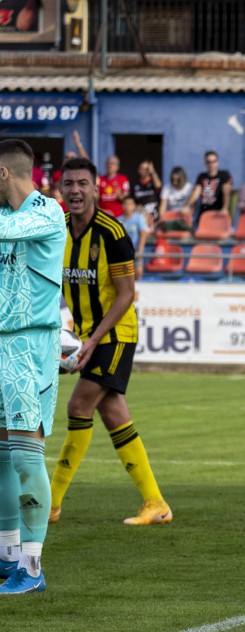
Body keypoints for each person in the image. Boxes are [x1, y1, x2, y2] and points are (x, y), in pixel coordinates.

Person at [49, 157, 172, 527]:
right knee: (113, 411)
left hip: (116, 333)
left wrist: (91, 342)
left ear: (96, 187)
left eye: (82, 183)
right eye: (68, 183)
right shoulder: (58, 230)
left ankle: (50, 503)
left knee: (78, 405)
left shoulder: (113, 233)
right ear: (60, 189)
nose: (74, 190)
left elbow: (126, 295)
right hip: (88, 335)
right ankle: (156, 503)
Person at [0, 139, 67, 594]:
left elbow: (14, 229)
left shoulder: (48, 212)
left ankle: (33, 566)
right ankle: (8, 556)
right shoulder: (6, 218)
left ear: (4, 173)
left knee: (26, 453)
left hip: (29, 345)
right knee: (3, 454)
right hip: (3, 345)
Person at [184, 150, 233, 220]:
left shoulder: (224, 175)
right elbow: (196, 192)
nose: (211, 164)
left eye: (214, 161)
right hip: (204, 214)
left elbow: (227, 192)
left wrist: (225, 208)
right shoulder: (201, 176)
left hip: (220, 213)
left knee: (226, 188)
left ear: (217, 163)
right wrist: (186, 206)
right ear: (205, 164)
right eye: (209, 162)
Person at [118, 195, 150, 271]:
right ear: (122, 206)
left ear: (134, 206)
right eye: (126, 204)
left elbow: (143, 233)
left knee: (138, 272)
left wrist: (140, 251)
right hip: (123, 253)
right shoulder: (118, 220)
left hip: (136, 251)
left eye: (130, 204)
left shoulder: (138, 218)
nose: (127, 206)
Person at [98, 155, 130, 219]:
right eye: (108, 163)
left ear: (117, 167)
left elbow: (127, 197)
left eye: (112, 163)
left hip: (119, 217)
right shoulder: (100, 179)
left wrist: (121, 195)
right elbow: (95, 199)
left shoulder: (123, 179)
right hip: (103, 216)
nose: (110, 165)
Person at [131, 160, 162, 226]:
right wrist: (137, 207)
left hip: (155, 219)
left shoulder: (154, 182)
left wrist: (152, 171)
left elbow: (158, 185)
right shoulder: (135, 185)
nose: (143, 171)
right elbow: (132, 201)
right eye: (141, 168)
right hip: (141, 218)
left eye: (146, 169)